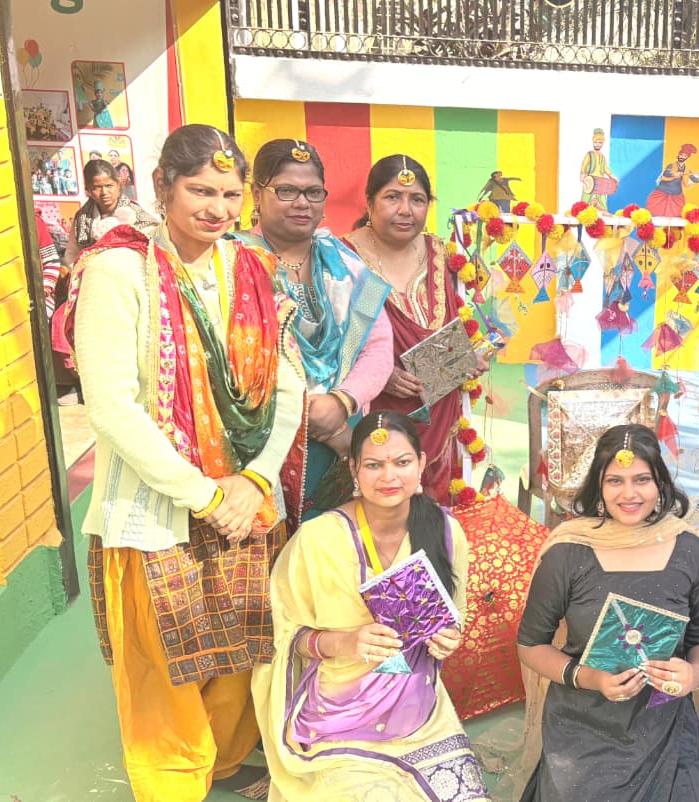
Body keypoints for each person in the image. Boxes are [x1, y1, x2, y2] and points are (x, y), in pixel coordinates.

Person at [70, 124, 306, 801]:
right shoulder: (119, 272)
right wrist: (207, 495)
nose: (217, 208)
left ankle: (224, 766)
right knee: (164, 669)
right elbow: (112, 408)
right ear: (163, 187)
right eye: (201, 190)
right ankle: (173, 787)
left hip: (245, 501)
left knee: (239, 652)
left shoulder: (250, 268)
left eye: (230, 194)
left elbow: (287, 386)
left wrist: (253, 479)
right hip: (157, 511)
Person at [252, 411, 489, 801]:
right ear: (354, 469)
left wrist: (450, 637)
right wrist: (345, 642)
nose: (388, 476)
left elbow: (454, 614)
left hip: (420, 714)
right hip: (337, 718)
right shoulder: (318, 539)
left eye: (402, 462)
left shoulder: (446, 531)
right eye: (374, 465)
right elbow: (282, 634)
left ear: (421, 463)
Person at [515, 424, 699, 802]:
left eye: (642, 479)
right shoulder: (568, 553)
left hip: (665, 727)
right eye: (615, 481)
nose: (629, 494)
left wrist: (693, 674)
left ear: (660, 483)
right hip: (581, 731)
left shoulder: (691, 551)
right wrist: (591, 678)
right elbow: (530, 645)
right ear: (599, 484)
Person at [240, 138, 394, 520]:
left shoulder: (343, 262)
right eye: (286, 191)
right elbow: (234, 361)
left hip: (342, 441)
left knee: (335, 546)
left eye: (312, 192)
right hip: (265, 443)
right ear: (257, 194)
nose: (302, 203)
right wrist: (321, 424)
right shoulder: (236, 261)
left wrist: (343, 401)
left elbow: (377, 344)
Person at [343, 154, 487, 505]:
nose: (405, 210)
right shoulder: (347, 258)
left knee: (432, 515)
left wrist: (467, 357)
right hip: (375, 415)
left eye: (417, 199)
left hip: (440, 412)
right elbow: (339, 340)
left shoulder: (439, 252)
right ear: (369, 202)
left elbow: (453, 324)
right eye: (392, 197)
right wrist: (379, 374)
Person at [63, 158, 156, 265]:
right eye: (97, 187)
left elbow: (152, 250)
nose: (104, 192)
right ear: (88, 190)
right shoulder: (82, 218)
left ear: (118, 185)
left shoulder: (137, 216)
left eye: (109, 186)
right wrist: (80, 271)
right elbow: (72, 253)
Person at [646, 144, 699, 218]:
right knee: (655, 213)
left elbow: (693, 179)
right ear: (678, 155)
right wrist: (674, 174)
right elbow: (666, 173)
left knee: (676, 215)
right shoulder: (671, 165)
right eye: (681, 155)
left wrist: (698, 178)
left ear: (687, 158)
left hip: (676, 195)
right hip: (663, 192)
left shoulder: (687, 170)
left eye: (684, 156)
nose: (682, 157)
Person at [580, 128, 616, 210]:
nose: (597, 144)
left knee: (602, 205)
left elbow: (606, 168)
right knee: (585, 205)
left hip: (601, 183)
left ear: (602, 143)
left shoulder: (602, 157)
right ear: (593, 142)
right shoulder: (589, 154)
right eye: (596, 142)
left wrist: (612, 176)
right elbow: (584, 166)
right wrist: (583, 175)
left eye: (600, 143)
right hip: (590, 182)